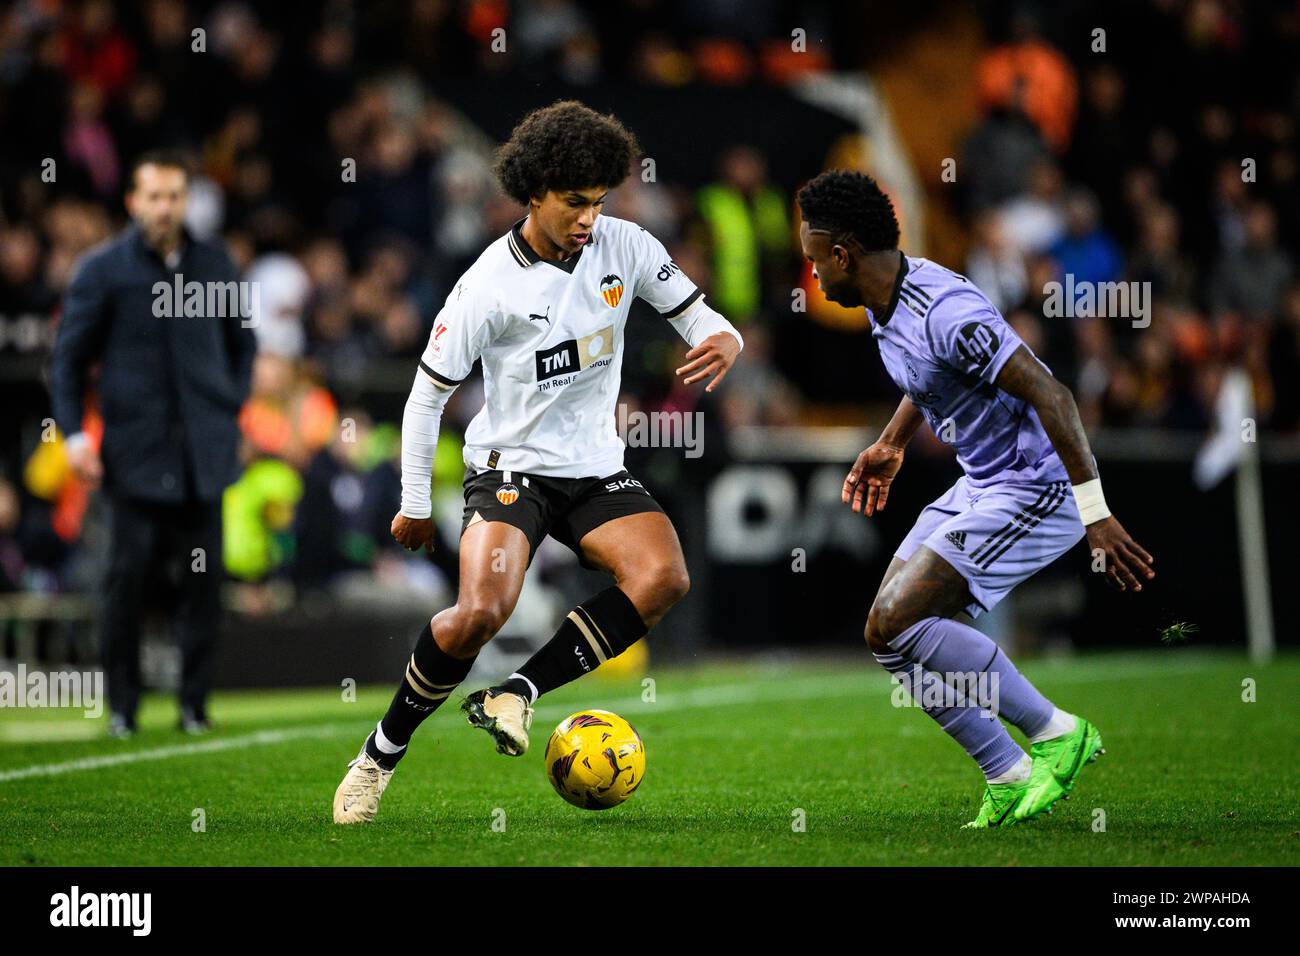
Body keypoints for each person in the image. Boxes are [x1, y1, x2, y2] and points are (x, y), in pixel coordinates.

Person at [333, 100, 743, 824]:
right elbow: (425, 399)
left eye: (599, 201)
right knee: (480, 613)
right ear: (533, 195)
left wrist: (725, 336)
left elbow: (697, 314)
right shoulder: (487, 285)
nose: (590, 218)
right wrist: (415, 502)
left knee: (662, 575)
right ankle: (378, 755)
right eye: (575, 204)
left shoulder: (627, 246)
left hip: (590, 466)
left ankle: (515, 693)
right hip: (509, 468)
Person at [795, 169, 1154, 827]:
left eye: (814, 259)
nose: (811, 274)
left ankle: (1054, 733)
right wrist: (894, 442)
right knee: (885, 634)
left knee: (902, 617)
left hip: (1037, 485)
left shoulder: (948, 312)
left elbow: (1053, 395)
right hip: (983, 482)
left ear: (843, 254)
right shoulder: (888, 303)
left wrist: (1093, 510)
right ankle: (1008, 771)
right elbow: (927, 377)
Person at [49, 149, 257, 738]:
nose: (166, 207)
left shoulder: (217, 265)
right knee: (126, 584)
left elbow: (243, 347)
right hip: (135, 460)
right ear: (132, 201)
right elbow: (66, 363)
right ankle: (123, 708)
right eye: (155, 196)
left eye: (175, 195)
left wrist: (229, 410)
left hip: (202, 459)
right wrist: (71, 436)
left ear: (186, 200)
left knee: (202, 584)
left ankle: (193, 706)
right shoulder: (103, 270)